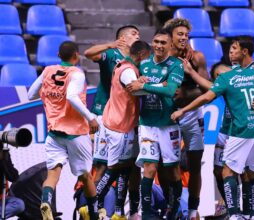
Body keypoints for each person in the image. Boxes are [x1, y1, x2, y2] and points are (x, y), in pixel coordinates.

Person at [171, 36, 254, 220]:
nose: (230, 52)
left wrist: (183, 109)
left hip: (239, 130)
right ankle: (251, 215)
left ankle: (234, 214)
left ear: (244, 51)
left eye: (234, 48)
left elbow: (208, 95)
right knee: (245, 172)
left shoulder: (238, 75)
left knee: (229, 172)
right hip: (252, 129)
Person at [27, 41, 100, 220]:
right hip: (76, 134)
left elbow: (30, 95)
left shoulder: (47, 70)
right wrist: (90, 117)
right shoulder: (77, 74)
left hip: (54, 133)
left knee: (52, 175)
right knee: (86, 177)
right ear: (76, 56)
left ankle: (45, 201)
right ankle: (94, 214)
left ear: (59, 55)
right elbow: (72, 96)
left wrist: (50, 93)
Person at [82, 40, 151, 220]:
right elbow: (134, 90)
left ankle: (119, 210)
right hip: (119, 126)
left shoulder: (124, 66)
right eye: (147, 58)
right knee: (113, 166)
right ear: (142, 55)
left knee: (126, 166)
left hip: (119, 123)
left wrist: (141, 81)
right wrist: (152, 87)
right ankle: (93, 203)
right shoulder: (128, 70)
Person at [128, 29, 184, 220]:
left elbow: (170, 91)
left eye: (163, 43)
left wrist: (144, 85)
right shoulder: (143, 64)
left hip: (168, 124)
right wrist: (140, 81)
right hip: (147, 124)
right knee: (149, 168)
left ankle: (174, 208)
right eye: (156, 42)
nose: (159, 46)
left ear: (170, 45)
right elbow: (131, 86)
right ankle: (147, 214)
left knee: (173, 171)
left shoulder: (176, 65)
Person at [163, 18, 209, 219]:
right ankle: (173, 203)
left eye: (186, 35)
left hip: (192, 115)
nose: (183, 38)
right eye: (179, 34)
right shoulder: (162, 58)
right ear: (170, 37)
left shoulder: (196, 57)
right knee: (167, 165)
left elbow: (209, 87)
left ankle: (192, 209)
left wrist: (187, 94)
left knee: (194, 164)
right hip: (168, 116)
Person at [0, 142, 25, 219]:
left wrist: (5, 161)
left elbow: (13, 177)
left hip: (1, 199)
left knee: (18, 204)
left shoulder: (3, 156)